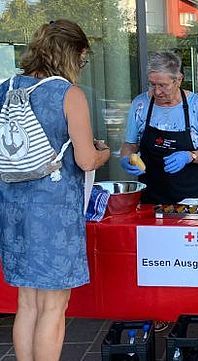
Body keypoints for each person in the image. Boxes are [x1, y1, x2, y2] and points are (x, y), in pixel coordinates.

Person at [0, 19, 110, 360]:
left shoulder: (6, 88)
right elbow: (87, 160)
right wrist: (103, 150)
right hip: (53, 213)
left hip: (13, 208)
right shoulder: (68, 94)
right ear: (72, 54)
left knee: (27, 303)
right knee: (53, 307)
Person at [119, 51, 198, 204]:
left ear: (178, 80)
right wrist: (126, 157)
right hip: (151, 196)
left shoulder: (196, 106)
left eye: (163, 85)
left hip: (192, 197)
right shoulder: (140, 104)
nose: (157, 91)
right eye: (152, 84)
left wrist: (189, 156)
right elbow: (130, 144)